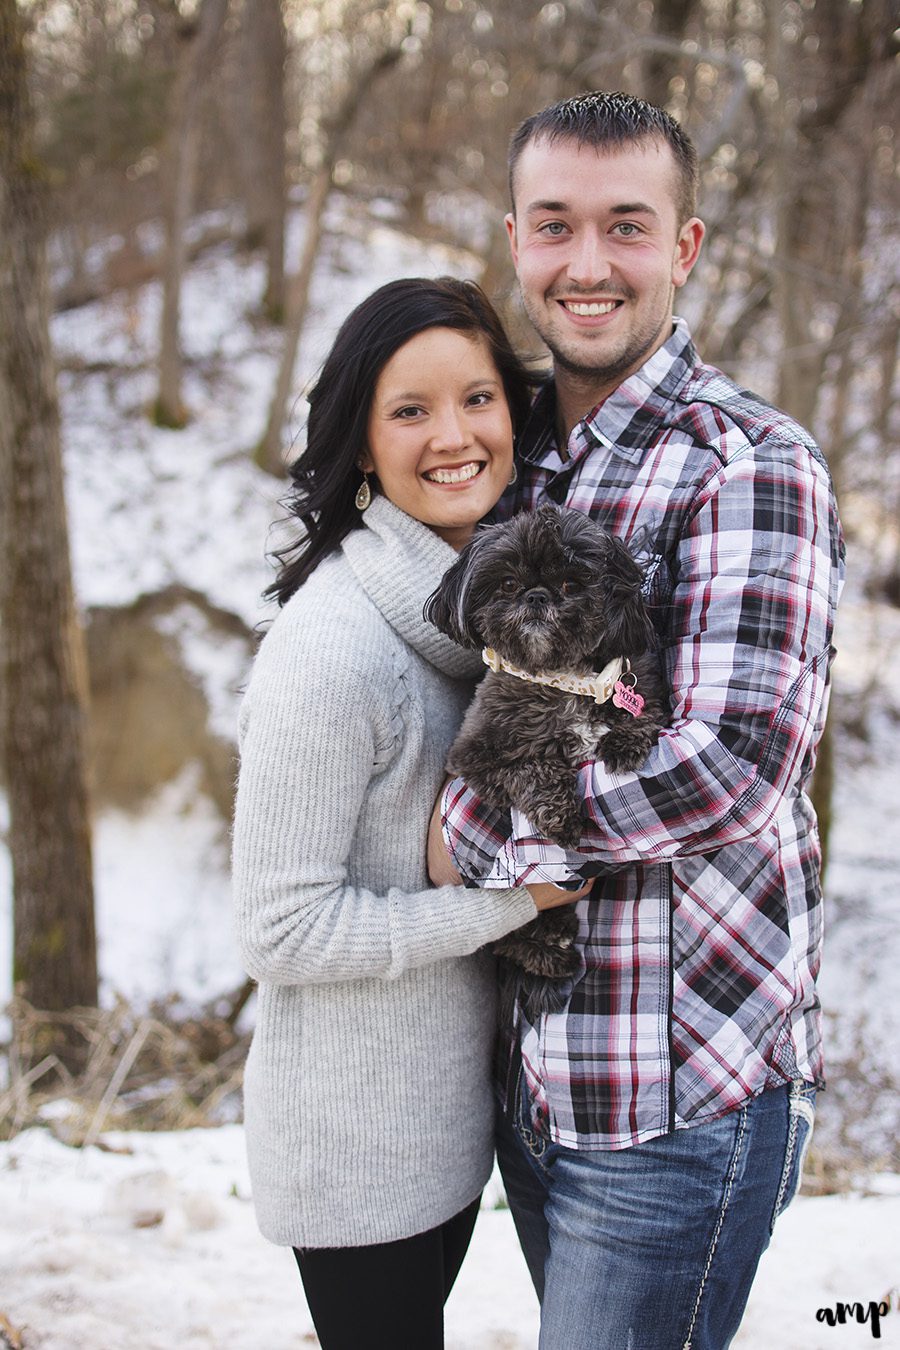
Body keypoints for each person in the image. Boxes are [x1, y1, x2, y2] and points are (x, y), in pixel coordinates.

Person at [429, 92, 846, 1349]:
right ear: (516, 241)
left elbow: (729, 769)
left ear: (687, 247)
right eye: (556, 226)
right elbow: (477, 698)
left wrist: (494, 848)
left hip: (680, 1096)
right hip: (539, 1078)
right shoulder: (512, 460)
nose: (589, 264)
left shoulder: (748, 463)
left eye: (628, 225)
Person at [231, 276, 583, 1350]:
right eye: (410, 410)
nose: (454, 436)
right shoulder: (332, 654)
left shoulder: (470, 622)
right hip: (353, 1143)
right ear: (361, 441)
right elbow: (281, 929)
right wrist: (510, 903)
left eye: (478, 399)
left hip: (441, 1127)